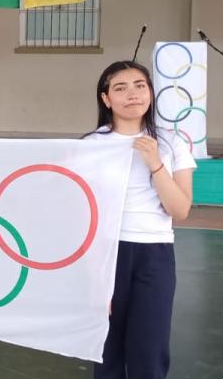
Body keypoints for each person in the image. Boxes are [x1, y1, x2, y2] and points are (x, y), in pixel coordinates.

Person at [84, 61, 196, 379]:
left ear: (150, 93)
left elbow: (180, 210)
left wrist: (155, 163)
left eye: (139, 85)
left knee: (149, 352)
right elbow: (83, 216)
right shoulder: (91, 146)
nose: (132, 94)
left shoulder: (172, 143)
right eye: (120, 87)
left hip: (155, 254)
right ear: (106, 99)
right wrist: (95, 279)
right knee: (107, 354)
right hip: (107, 253)